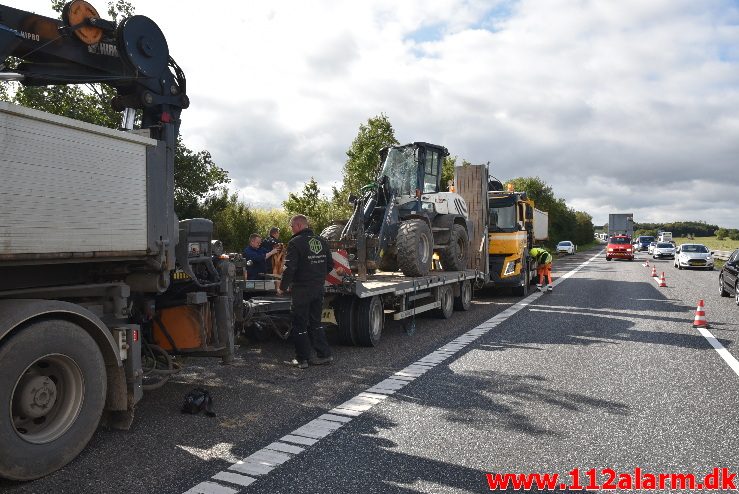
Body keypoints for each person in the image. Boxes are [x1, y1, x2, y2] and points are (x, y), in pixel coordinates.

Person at [276, 215, 334, 369]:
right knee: (316, 322)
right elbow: (330, 265)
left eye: (292, 226)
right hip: (318, 288)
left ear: (299, 225)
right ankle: (324, 355)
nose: (291, 229)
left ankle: (302, 359)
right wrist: (318, 276)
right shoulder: (322, 241)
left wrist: (282, 287)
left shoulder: (295, 243)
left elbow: (290, 268)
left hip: (302, 290)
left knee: (299, 323)